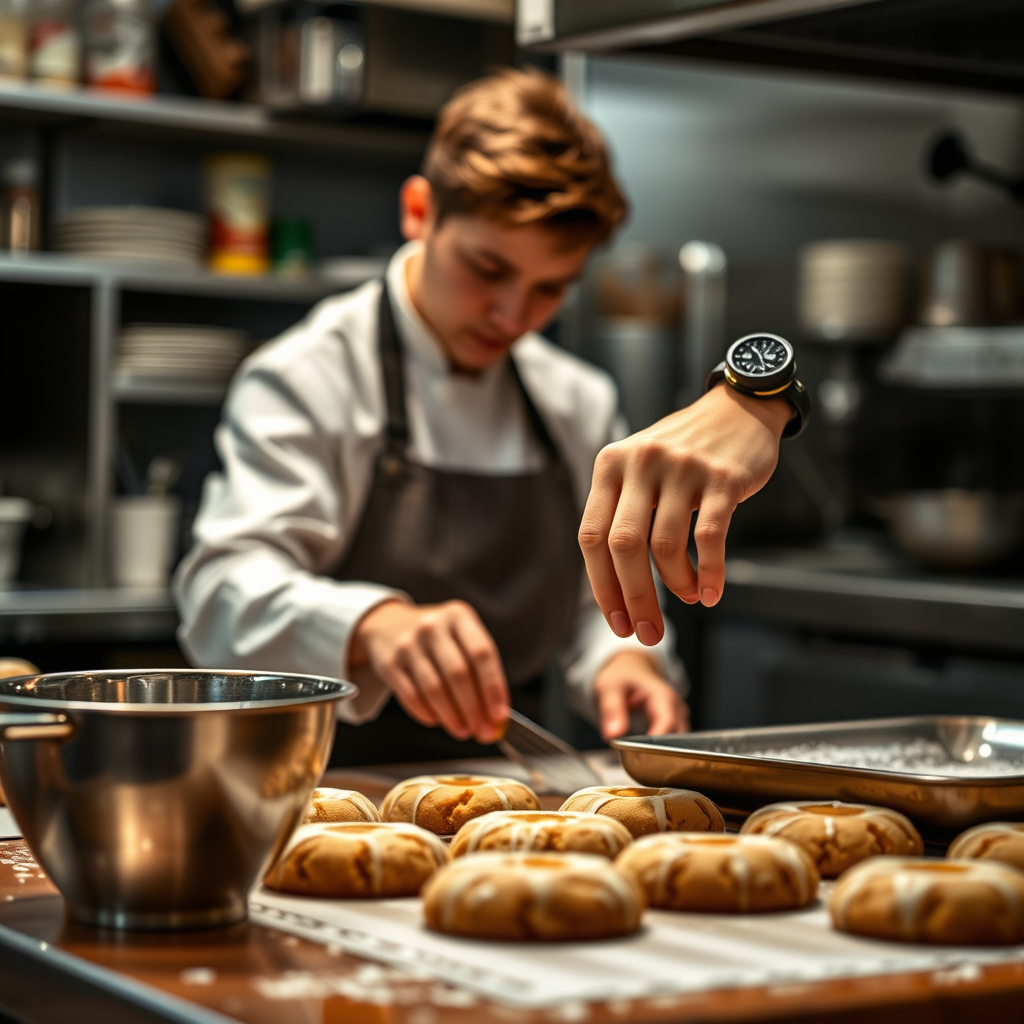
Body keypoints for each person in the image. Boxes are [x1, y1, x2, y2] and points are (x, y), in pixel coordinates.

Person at [173, 68, 790, 756]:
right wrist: (372, 625)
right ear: (419, 212)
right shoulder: (309, 375)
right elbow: (220, 593)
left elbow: (596, 601)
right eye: (488, 270)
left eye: (549, 289)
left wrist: (626, 660)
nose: (512, 315)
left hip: (498, 794)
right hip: (313, 784)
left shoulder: (575, 400)